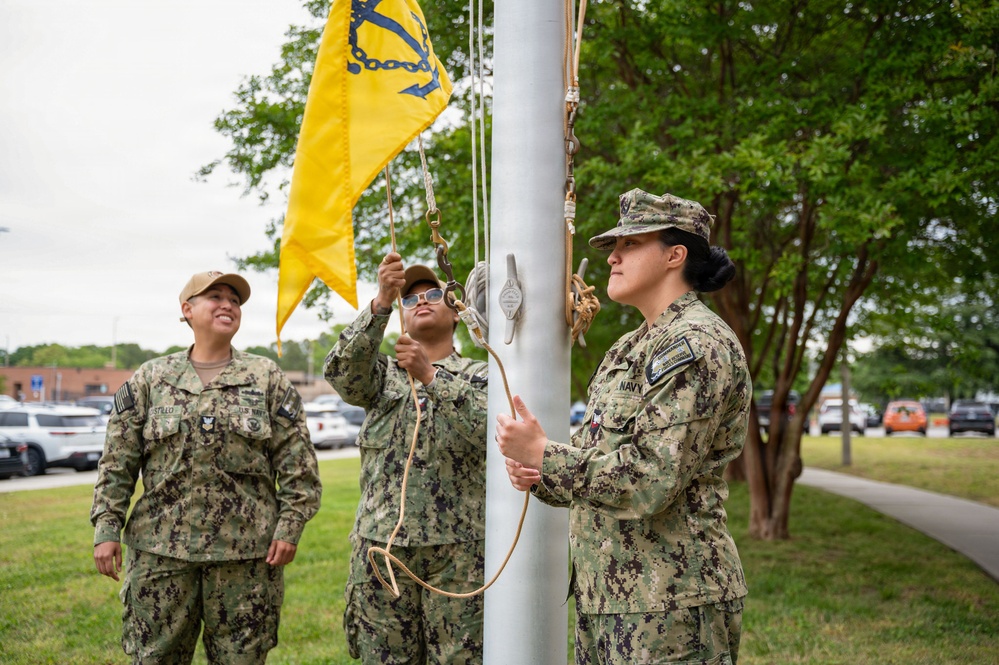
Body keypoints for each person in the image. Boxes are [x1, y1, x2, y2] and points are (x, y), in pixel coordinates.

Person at [496, 189, 751, 664]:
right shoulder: (628, 349)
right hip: (611, 598)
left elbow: (651, 480)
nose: (612, 256)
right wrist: (540, 475)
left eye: (631, 244)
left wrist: (544, 454)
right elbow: (599, 461)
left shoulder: (695, 344)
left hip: (671, 605)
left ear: (676, 255)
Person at [91, 270, 323, 664]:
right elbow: (118, 462)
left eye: (234, 299)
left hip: (246, 558)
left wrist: (290, 527)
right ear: (187, 310)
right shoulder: (152, 378)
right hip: (161, 555)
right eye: (215, 296)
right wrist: (107, 526)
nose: (227, 304)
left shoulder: (265, 378)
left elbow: (299, 467)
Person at [324, 251, 488, 665]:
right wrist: (381, 301)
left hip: (460, 553)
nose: (422, 302)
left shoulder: (480, 375)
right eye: (410, 299)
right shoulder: (380, 376)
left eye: (434, 293)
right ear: (402, 317)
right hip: (383, 552)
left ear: (455, 312)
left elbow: (489, 431)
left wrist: (431, 376)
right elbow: (341, 373)